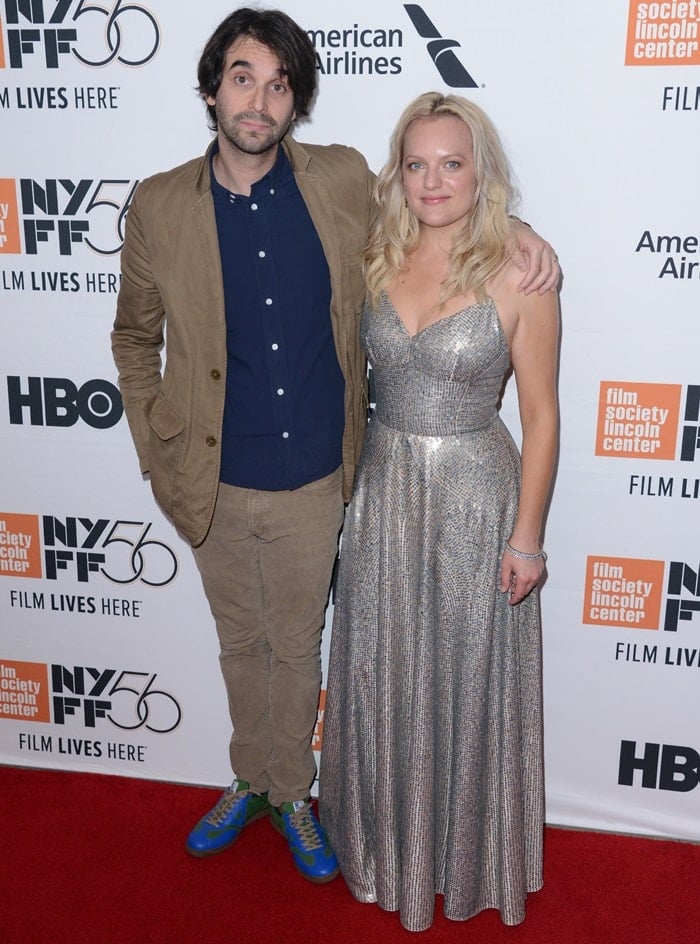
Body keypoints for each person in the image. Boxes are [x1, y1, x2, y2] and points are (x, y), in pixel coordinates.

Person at [111, 8, 559, 887]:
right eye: (243, 77)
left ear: (295, 103)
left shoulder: (342, 181)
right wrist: (156, 446)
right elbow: (134, 340)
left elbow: (440, 215)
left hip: (322, 471)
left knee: (300, 635)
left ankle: (295, 794)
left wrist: (522, 235)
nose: (260, 99)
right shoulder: (160, 204)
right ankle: (255, 779)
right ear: (212, 90)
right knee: (241, 642)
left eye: (279, 84)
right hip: (211, 474)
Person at [318, 91, 559, 929]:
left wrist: (527, 538)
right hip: (385, 493)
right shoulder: (373, 255)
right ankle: (386, 846)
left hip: (475, 496)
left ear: (479, 170)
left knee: (465, 675)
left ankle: (462, 856)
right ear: (398, 173)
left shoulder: (521, 270)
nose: (433, 180)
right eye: (416, 163)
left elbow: (543, 415)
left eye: (451, 163)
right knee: (383, 670)